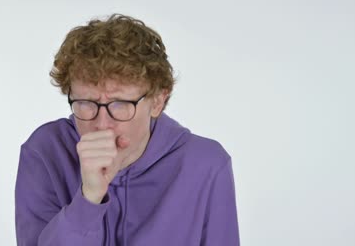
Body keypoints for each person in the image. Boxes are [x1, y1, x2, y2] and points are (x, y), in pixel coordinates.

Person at [15, 14, 240, 246]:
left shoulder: (206, 165)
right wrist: (89, 198)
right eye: (85, 103)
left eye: (121, 104)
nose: (101, 124)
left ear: (157, 102)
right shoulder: (45, 151)